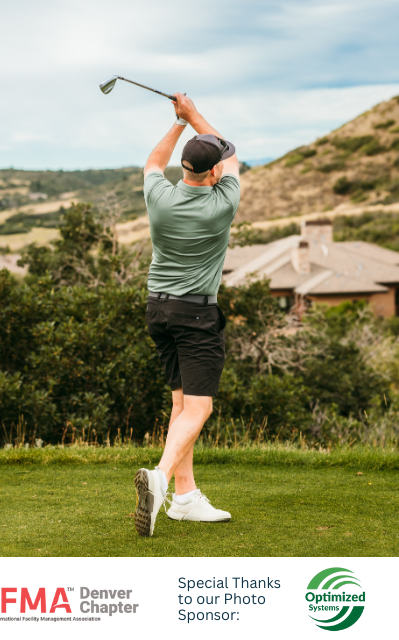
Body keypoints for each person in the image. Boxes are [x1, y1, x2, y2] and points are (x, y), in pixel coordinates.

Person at [134, 93, 241, 537]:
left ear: (184, 168)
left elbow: (151, 164)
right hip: (196, 316)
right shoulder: (223, 203)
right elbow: (231, 152)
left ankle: (185, 497)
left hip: (157, 310)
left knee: (180, 405)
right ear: (213, 172)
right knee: (200, 407)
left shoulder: (159, 196)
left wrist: (176, 124)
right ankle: (159, 479)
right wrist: (192, 113)